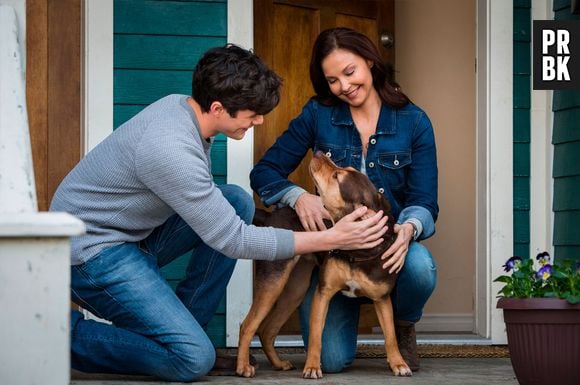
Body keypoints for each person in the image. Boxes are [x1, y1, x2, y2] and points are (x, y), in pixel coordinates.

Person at [50, 44, 390, 382]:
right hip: (91, 253)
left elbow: (221, 218)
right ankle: (64, 338)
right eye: (253, 113)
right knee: (192, 359)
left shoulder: (181, 107)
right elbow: (233, 239)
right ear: (217, 107)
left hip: (131, 234)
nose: (258, 121)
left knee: (236, 201)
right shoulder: (171, 150)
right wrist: (328, 238)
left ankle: (183, 330)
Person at [250, 28, 438, 372]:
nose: (344, 87)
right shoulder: (318, 114)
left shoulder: (414, 121)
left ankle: (402, 324)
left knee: (420, 266)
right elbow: (264, 172)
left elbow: (425, 200)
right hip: (334, 254)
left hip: (382, 250)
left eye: (350, 72)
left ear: (370, 60)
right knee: (332, 362)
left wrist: (409, 229)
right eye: (332, 80)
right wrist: (296, 196)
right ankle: (342, 303)